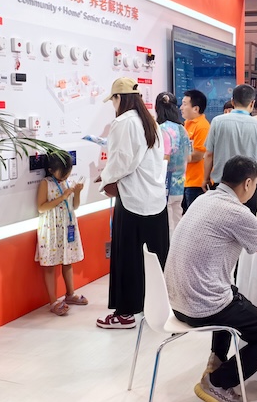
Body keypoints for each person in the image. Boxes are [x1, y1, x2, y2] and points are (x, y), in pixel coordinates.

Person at [165, 156, 257, 402]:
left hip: (176, 302)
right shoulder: (238, 212)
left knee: (231, 292)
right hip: (203, 307)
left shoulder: (205, 199)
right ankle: (217, 382)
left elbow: (228, 229)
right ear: (248, 183)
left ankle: (216, 360)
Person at [96, 77, 169, 329]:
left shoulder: (123, 122)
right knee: (155, 259)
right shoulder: (151, 122)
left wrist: (105, 178)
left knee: (128, 257)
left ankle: (125, 313)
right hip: (155, 199)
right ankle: (157, 308)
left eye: (113, 100)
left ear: (119, 98)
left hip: (132, 200)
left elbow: (122, 161)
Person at [203, 84, 257, 215]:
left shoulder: (217, 122)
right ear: (252, 103)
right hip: (248, 187)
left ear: (232, 101)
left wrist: (205, 178)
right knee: (246, 223)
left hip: (222, 186)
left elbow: (209, 154)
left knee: (220, 222)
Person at [35, 151, 87, 316]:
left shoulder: (68, 181)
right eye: (63, 173)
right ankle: (53, 301)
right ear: (51, 170)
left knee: (67, 260)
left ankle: (70, 294)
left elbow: (74, 206)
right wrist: (62, 197)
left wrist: (77, 193)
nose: (66, 176)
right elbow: (41, 207)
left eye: (68, 172)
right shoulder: (46, 183)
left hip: (67, 225)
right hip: (51, 228)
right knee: (50, 265)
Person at [156, 91, 191, 233]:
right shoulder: (182, 128)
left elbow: (165, 158)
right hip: (180, 183)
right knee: (178, 223)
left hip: (166, 185)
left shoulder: (162, 129)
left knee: (168, 228)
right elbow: (189, 157)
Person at [181, 89, 211, 213]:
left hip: (197, 183)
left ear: (196, 109)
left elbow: (198, 155)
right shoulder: (187, 124)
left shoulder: (202, 127)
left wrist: (176, 158)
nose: (181, 107)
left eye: (184, 104)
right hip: (186, 180)